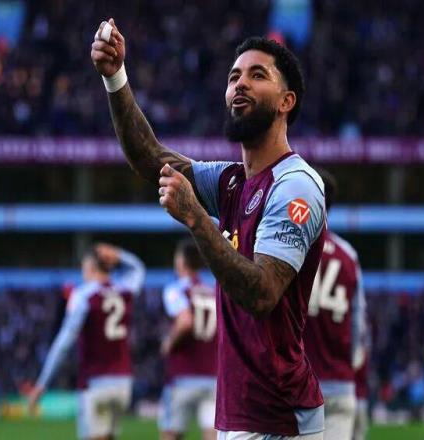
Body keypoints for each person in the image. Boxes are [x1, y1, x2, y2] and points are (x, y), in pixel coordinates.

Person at [91, 20, 327, 439]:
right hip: (240, 411)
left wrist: (197, 218)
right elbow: (150, 158)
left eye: (257, 75)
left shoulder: (295, 185)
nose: (240, 84)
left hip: (279, 417)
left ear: (286, 101)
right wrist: (116, 77)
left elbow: (262, 294)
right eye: (234, 76)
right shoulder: (232, 181)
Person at [28, 243, 146, 440]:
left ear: (91, 267)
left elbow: (63, 343)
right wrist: (118, 254)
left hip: (95, 382)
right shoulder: (124, 290)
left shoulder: (83, 295)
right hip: (123, 382)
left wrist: (42, 383)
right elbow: (139, 269)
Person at [303, 170, 366, 440]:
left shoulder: (292, 246)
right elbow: (359, 325)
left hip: (299, 382)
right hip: (340, 382)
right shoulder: (348, 255)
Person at [158, 238, 217, 440]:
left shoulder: (176, 290)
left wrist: (169, 342)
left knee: (171, 433)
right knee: (211, 433)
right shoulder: (213, 291)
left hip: (183, 374)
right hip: (212, 374)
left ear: (181, 261)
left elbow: (185, 321)